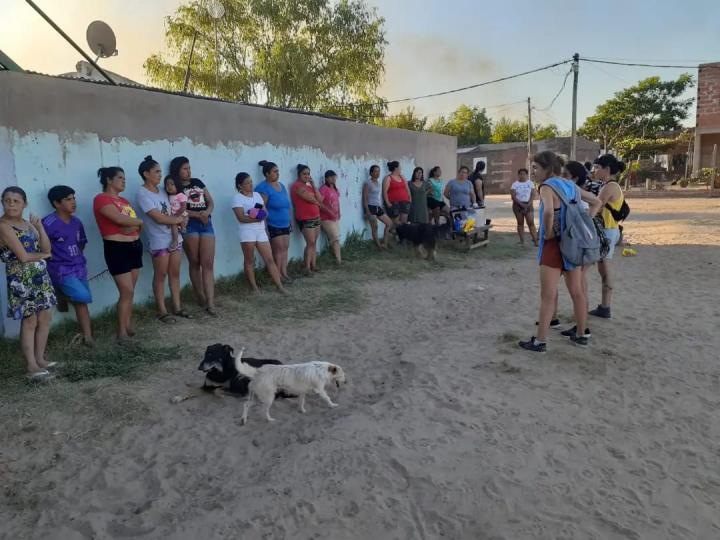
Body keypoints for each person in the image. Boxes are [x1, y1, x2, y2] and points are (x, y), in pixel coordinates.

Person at [519, 151, 601, 353]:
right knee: (577, 292)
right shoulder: (570, 185)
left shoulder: (547, 186)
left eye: (536, 168)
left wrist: (546, 234)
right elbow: (596, 202)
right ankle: (582, 334)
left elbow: (548, 212)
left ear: (547, 168)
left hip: (554, 245)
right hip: (573, 244)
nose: (533, 172)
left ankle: (540, 342)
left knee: (547, 295)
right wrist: (585, 221)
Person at [0, 187, 57, 381]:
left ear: (24, 203)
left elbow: (46, 247)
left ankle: (40, 359)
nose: (11, 204)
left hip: (40, 277)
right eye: (7, 200)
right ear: (2, 203)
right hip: (21, 279)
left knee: (45, 317)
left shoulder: (27, 224)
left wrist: (39, 227)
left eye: (16, 201)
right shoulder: (3, 226)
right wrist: (44, 256)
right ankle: (31, 365)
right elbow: (23, 257)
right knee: (30, 320)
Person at [136, 156, 189, 324]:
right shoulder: (142, 193)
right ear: (146, 174)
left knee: (175, 273)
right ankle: (162, 310)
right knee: (161, 274)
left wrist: (181, 218)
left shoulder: (163, 191)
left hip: (174, 237)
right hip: (159, 240)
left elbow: (175, 209)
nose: (160, 175)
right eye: (156, 172)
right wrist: (180, 220)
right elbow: (158, 218)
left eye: (160, 171)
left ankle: (177, 307)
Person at [94, 166, 144, 340]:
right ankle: (121, 332)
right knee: (126, 291)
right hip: (117, 248)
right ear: (109, 180)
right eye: (120, 178)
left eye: (124, 178)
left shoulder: (125, 202)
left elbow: (130, 225)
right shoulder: (101, 199)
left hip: (134, 245)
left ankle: (127, 324)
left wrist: (132, 224)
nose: (124, 181)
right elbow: (119, 219)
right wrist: (136, 222)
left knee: (131, 291)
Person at [42, 185, 93, 346]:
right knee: (83, 297)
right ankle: (61, 292)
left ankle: (88, 336)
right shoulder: (48, 223)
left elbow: (81, 244)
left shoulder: (77, 222)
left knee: (81, 301)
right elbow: (42, 248)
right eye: (68, 199)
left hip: (78, 266)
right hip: (60, 269)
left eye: (74, 198)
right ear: (57, 203)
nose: (73, 202)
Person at [170, 156, 217, 317]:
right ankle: (201, 297)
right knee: (195, 261)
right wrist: (196, 214)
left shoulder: (198, 182)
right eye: (185, 168)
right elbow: (175, 207)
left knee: (208, 262)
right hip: (189, 224)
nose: (188, 171)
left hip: (206, 223)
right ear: (177, 170)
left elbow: (210, 201)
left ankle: (211, 302)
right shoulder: (174, 186)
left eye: (189, 168)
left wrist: (207, 213)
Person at [232, 172, 286, 293]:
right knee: (250, 259)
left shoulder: (257, 195)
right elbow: (241, 218)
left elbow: (265, 212)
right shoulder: (237, 198)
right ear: (240, 186)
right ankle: (254, 287)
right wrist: (257, 217)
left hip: (260, 231)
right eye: (247, 183)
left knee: (269, 259)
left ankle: (279, 286)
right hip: (247, 232)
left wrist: (256, 215)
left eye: (251, 181)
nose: (250, 184)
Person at [589, 154, 626, 319]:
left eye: (598, 167)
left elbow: (596, 207)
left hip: (608, 231)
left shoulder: (609, 186)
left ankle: (606, 307)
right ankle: (604, 307)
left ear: (607, 169)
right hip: (609, 230)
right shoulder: (609, 185)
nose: (595, 170)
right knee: (603, 268)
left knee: (605, 269)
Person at [255, 160, 292, 282]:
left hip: (285, 222)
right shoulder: (263, 188)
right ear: (267, 174)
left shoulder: (281, 185)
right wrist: (263, 227)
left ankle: (284, 273)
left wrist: (290, 220)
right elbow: (260, 207)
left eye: (278, 171)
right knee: (278, 249)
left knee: (285, 247)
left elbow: (286, 204)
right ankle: (277, 276)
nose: (278, 173)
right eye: (275, 172)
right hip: (273, 223)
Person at [290, 164, 323, 275]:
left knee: (314, 242)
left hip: (316, 216)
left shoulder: (309, 186)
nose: (307, 176)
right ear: (299, 174)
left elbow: (320, 198)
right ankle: (307, 267)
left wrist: (313, 185)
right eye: (304, 174)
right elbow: (309, 198)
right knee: (310, 242)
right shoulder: (297, 186)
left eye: (308, 174)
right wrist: (316, 201)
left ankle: (313, 265)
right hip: (305, 218)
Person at [363, 165, 394, 249]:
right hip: (370, 207)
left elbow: (377, 197)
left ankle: (385, 243)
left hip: (377, 207)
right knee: (375, 227)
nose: (377, 173)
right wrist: (367, 211)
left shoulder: (378, 183)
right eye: (376, 171)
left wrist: (381, 207)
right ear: (371, 173)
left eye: (379, 171)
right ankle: (379, 246)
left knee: (389, 223)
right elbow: (365, 198)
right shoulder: (367, 183)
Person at [510, 168, 538, 246]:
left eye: (524, 174)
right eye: (520, 174)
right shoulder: (515, 184)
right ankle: (522, 241)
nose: (522, 175)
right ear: (518, 175)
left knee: (531, 223)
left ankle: (536, 241)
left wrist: (528, 203)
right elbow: (513, 196)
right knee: (520, 223)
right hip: (517, 205)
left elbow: (533, 194)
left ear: (526, 175)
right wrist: (521, 204)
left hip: (528, 204)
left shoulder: (530, 183)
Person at [319, 170, 342, 264]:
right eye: (331, 177)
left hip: (335, 217)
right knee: (335, 238)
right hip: (326, 218)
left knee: (335, 237)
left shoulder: (335, 189)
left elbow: (337, 201)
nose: (333, 179)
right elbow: (319, 203)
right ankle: (338, 260)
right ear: (326, 178)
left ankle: (337, 257)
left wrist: (339, 212)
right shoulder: (323, 189)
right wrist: (329, 211)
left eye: (334, 177)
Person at [382, 161, 411, 225]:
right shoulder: (388, 178)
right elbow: (384, 191)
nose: (401, 169)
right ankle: (395, 233)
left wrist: (410, 198)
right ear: (396, 168)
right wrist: (387, 202)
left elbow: (407, 188)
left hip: (405, 201)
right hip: (393, 202)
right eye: (400, 167)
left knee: (404, 221)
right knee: (395, 221)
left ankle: (402, 234)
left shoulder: (402, 177)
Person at [164, 174, 187, 251]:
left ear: (177, 185)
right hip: (173, 215)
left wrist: (176, 215)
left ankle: (182, 229)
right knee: (173, 225)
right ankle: (176, 240)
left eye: (172, 184)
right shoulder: (167, 196)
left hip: (181, 213)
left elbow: (184, 207)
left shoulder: (180, 195)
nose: (169, 186)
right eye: (167, 184)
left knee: (178, 221)